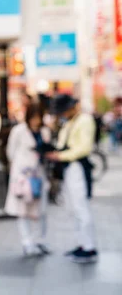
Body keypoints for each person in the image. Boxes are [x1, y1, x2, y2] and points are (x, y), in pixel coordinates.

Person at [46, 94, 99, 264]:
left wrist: (60, 156)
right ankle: (81, 243)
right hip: (69, 167)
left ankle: (89, 246)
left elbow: (83, 148)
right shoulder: (70, 121)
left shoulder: (84, 120)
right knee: (73, 208)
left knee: (81, 207)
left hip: (77, 166)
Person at [4, 104, 52, 257]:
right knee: (22, 210)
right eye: (34, 117)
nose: (36, 121)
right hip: (22, 177)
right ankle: (27, 242)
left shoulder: (45, 132)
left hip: (39, 175)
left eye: (39, 117)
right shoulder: (18, 131)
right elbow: (11, 151)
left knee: (41, 209)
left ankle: (40, 240)